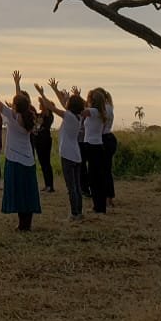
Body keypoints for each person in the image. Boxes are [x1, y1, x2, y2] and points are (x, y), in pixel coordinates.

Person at [0, 69, 40, 231]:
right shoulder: (28, 116)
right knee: (28, 192)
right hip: (28, 160)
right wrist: (17, 84)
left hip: (15, 160)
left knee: (18, 192)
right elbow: (22, 102)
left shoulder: (12, 116)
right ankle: (27, 224)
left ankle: (21, 224)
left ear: (15, 106)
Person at [39, 79, 85, 221]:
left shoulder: (69, 116)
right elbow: (62, 104)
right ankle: (79, 212)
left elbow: (52, 107)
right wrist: (55, 90)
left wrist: (42, 93)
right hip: (76, 155)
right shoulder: (78, 116)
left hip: (68, 155)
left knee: (71, 187)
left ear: (70, 106)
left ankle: (74, 214)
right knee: (77, 186)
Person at [82, 88, 111, 214]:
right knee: (97, 178)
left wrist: (71, 100)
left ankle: (98, 207)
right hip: (96, 145)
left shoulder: (93, 111)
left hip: (92, 146)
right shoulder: (101, 112)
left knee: (94, 178)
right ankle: (99, 206)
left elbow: (80, 111)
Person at [98, 87, 117, 206]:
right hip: (109, 138)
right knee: (106, 170)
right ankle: (109, 196)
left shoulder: (103, 109)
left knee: (103, 170)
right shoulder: (109, 107)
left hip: (104, 139)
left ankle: (107, 197)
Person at [34, 93, 55, 193]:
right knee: (43, 163)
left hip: (45, 140)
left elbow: (46, 110)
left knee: (46, 163)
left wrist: (42, 97)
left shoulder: (49, 115)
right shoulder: (41, 114)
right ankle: (47, 185)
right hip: (39, 140)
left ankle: (50, 185)